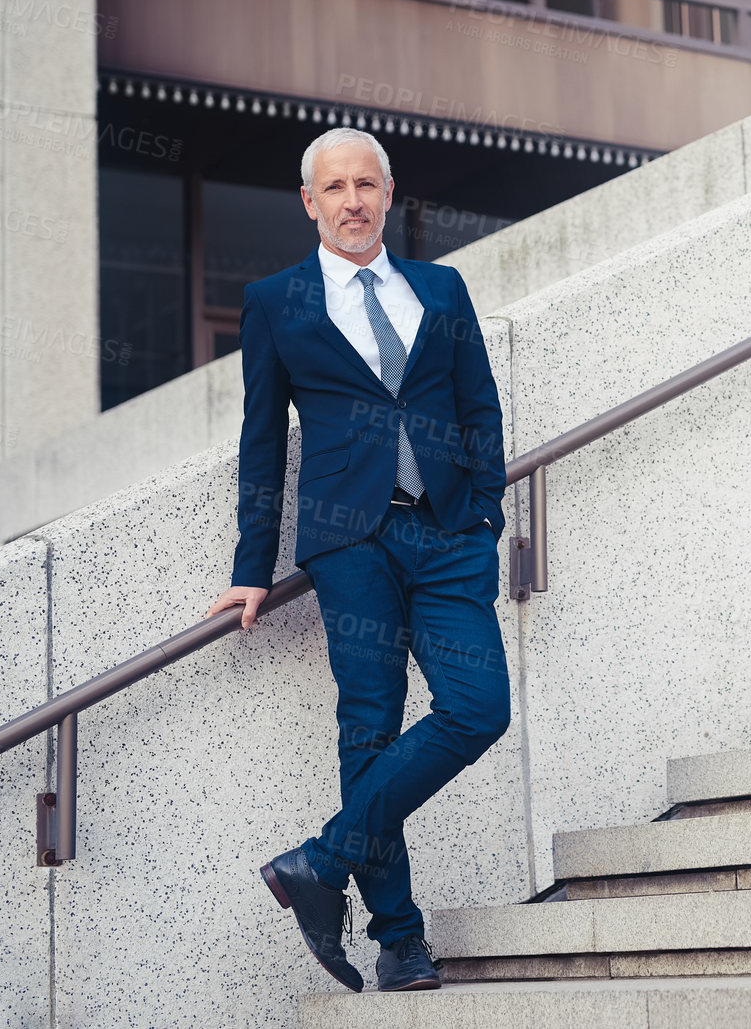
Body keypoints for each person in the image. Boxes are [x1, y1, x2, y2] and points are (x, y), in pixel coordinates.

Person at [206, 127, 509, 993]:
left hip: (448, 534)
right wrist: (252, 563)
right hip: (350, 540)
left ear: (386, 191)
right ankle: (398, 938)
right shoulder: (275, 300)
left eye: (365, 184)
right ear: (309, 202)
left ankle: (320, 859)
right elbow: (261, 440)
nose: (351, 201)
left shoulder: (440, 288)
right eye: (333, 187)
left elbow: (479, 404)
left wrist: (483, 511)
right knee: (368, 727)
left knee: (479, 707)